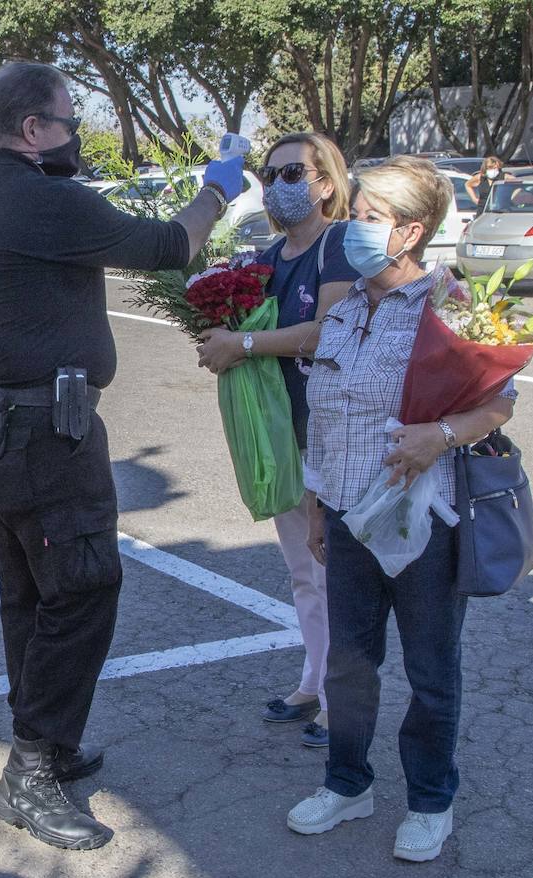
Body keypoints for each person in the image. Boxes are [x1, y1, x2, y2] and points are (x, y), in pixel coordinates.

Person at [0, 60, 244, 851]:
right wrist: (220, 187)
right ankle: (30, 770)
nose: (76, 138)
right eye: (69, 123)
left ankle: (50, 745)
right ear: (32, 130)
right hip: (44, 439)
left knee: (31, 595)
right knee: (84, 588)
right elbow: (171, 245)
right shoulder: (42, 198)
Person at [288, 156, 518, 862]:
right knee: (349, 666)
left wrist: (439, 435)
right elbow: (322, 414)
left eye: (366, 218)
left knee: (430, 670)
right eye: (354, 214)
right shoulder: (348, 305)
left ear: (410, 231)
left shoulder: (450, 304)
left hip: (429, 522)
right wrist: (319, 506)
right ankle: (347, 783)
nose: (351, 229)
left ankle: (429, 801)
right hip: (352, 518)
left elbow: (499, 401)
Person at [194, 132, 357, 749]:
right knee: (301, 570)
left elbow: (328, 333)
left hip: (330, 434)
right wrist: (219, 336)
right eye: (270, 174)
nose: (279, 185)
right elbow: (245, 327)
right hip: (279, 429)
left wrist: (245, 344)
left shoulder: (340, 245)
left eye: (294, 173)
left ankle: (345, 700)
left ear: (326, 184)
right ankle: (313, 681)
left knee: (334, 570)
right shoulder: (264, 257)